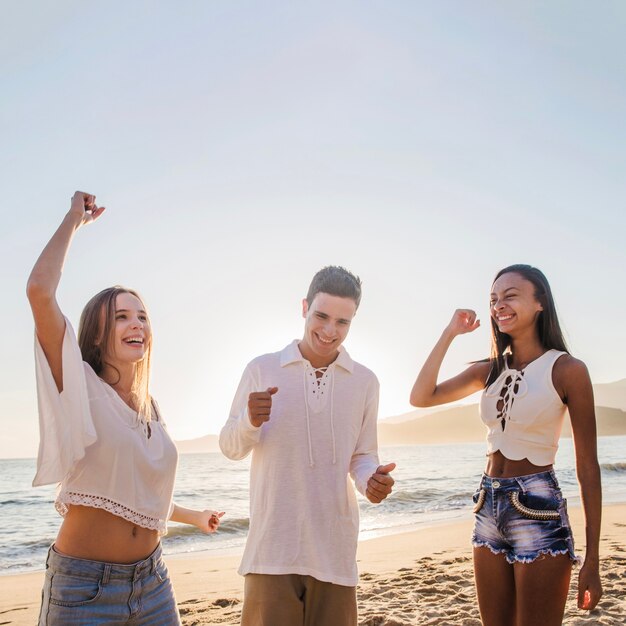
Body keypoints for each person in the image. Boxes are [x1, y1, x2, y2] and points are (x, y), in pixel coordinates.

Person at [28, 191, 224, 626]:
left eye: (141, 316)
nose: (136, 323)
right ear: (97, 333)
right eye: (121, 317)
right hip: (84, 588)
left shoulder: (149, 407)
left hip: (153, 581)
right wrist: (72, 221)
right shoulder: (79, 384)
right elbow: (39, 290)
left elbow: (135, 494)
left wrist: (194, 516)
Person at [410, 264, 602, 626]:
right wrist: (450, 332)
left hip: (537, 508)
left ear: (540, 303)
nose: (499, 305)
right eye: (494, 299)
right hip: (487, 505)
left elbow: (588, 468)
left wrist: (592, 560)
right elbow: (421, 397)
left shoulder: (567, 370)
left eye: (510, 296)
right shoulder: (490, 369)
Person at [219, 266, 395, 626]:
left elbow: (362, 455)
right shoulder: (262, 368)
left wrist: (370, 481)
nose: (330, 331)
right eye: (321, 316)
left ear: (353, 320)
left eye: (343, 322)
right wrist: (250, 421)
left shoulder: (365, 382)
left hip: (334, 550)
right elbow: (230, 447)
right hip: (271, 550)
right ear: (304, 308)